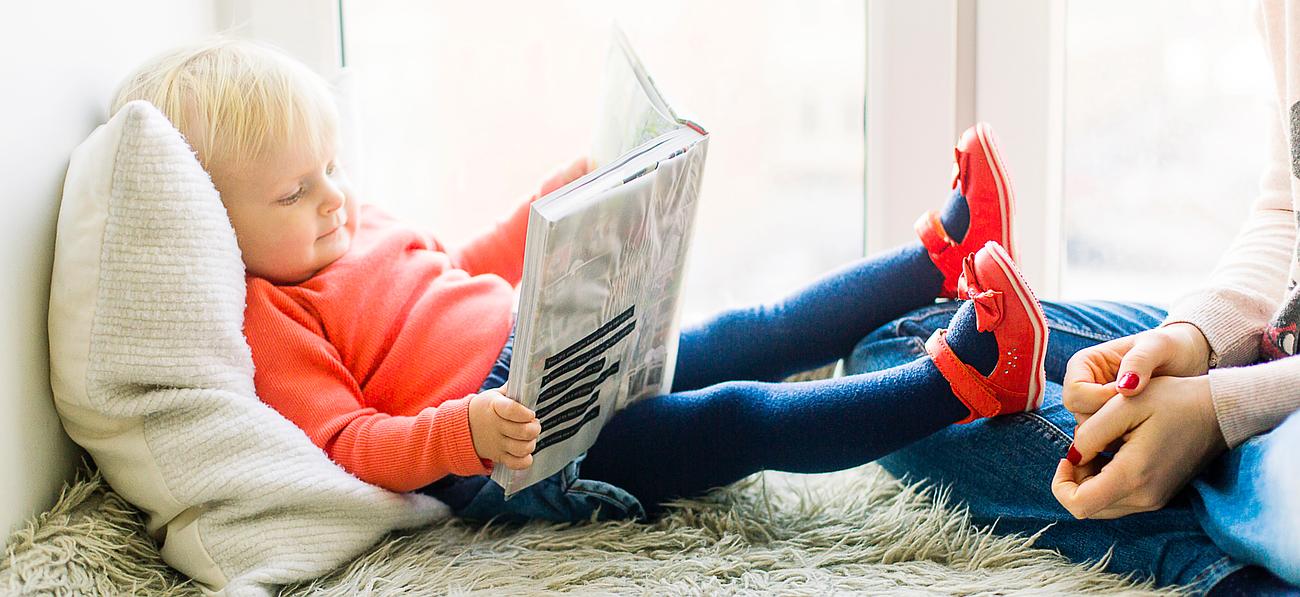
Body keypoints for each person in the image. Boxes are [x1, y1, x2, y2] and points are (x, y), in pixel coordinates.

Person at [108, 39, 1049, 530]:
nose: (332, 197)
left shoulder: (352, 224)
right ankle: (965, 379)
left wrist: (553, 206)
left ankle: (939, 255)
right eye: (293, 192)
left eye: (331, 166)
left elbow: (455, 269)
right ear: (218, 222)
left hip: (561, 345)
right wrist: (462, 432)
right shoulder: (271, 314)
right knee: (737, 417)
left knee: (750, 327)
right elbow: (350, 444)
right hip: (525, 449)